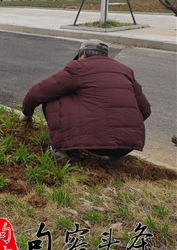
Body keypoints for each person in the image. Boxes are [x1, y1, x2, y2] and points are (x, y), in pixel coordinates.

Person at [20, 39, 151, 163]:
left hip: (95, 144)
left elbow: (38, 92)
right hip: (127, 146)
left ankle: (66, 152)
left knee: (53, 96)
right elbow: (145, 110)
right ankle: (115, 157)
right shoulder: (125, 70)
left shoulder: (79, 67)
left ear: (83, 54)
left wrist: (27, 113)